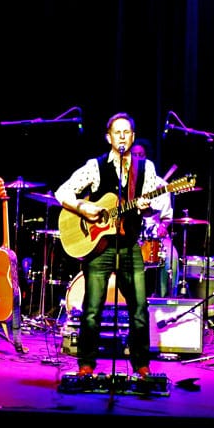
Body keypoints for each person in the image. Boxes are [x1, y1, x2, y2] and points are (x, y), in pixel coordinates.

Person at [54, 112, 160, 378]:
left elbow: (151, 208)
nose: (122, 136)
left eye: (127, 132)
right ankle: (86, 364)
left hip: (128, 244)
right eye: (117, 132)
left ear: (132, 137)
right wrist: (83, 207)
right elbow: (62, 192)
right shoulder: (95, 166)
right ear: (108, 137)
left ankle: (141, 365)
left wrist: (147, 208)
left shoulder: (146, 169)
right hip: (98, 245)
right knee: (92, 310)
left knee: (139, 308)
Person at [131, 139, 176, 297]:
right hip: (128, 235)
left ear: (147, 157)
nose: (137, 158)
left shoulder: (161, 185)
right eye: (134, 155)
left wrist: (164, 227)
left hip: (155, 236)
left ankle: (166, 300)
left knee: (172, 259)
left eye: (141, 155)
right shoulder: (123, 183)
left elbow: (166, 218)